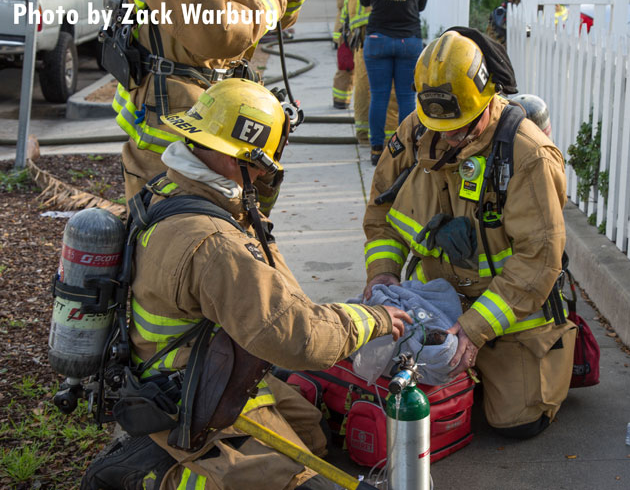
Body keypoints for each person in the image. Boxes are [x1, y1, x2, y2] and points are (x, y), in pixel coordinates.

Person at [83, 79, 410, 490]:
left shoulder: (167, 189)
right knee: (308, 483)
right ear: (233, 156)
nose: (262, 175)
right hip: (193, 402)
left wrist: (249, 209)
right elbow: (299, 338)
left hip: (196, 368)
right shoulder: (215, 243)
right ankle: (156, 477)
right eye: (259, 165)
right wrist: (371, 320)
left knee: (313, 432)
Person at [362, 31, 577, 439]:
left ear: (487, 100)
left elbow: (538, 259)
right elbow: (381, 214)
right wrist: (383, 275)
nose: (448, 138)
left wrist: (476, 329)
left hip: (511, 313)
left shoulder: (526, 155)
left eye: (459, 127)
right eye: (439, 126)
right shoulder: (415, 132)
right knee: (400, 407)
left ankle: (547, 357)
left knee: (515, 423)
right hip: (436, 300)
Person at [111, 0, 308, 218]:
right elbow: (218, 32)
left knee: (242, 221)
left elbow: (276, 20)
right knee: (185, 233)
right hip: (176, 126)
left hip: (225, 106)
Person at [359, 0, 427, 165]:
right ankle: (407, 147)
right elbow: (421, 6)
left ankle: (376, 149)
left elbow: (364, 1)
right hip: (409, 40)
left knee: (378, 97)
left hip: (377, 38)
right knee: (406, 98)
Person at [333, 0, 399, 146]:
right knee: (388, 85)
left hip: (358, 25)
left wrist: (343, 29)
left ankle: (363, 133)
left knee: (363, 80)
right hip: (379, 21)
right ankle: (389, 137)